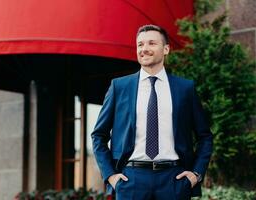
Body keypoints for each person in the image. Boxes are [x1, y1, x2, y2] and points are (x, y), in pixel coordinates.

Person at [91, 24, 213, 200]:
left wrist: (196, 174)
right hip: (131, 180)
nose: (144, 49)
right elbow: (99, 135)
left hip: (174, 180)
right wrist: (110, 176)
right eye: (140, 44)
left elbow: (205, 136)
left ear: (166, 49)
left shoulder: (185, 88)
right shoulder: (119, 87)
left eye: (151, 43)